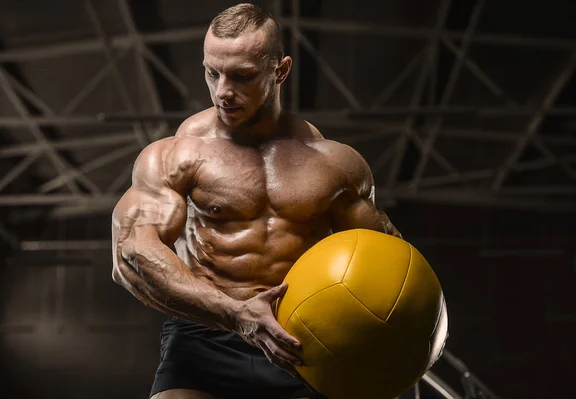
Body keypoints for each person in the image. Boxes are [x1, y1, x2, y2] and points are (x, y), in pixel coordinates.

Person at [111, 3, 402, 399]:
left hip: (302, 337)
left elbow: (388, 262)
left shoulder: (334, 164)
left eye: (241, 76)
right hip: (205, 334)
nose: (222, 92)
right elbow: (132, 255)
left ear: (280, 71)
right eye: (212, 73)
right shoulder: (177, 154)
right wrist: (234, 314)